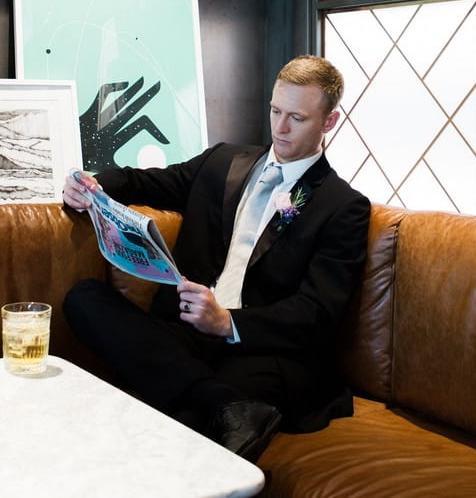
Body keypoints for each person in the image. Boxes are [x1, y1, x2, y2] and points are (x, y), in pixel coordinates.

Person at [62, 55, 370, 462]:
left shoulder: (342, 206)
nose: (280, 128)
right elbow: (148, 182)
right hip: (185, 333)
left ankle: (211, 402)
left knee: (175, 413)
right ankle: (227, 406)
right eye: (276, 111)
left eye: (297, 118)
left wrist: (228, 322)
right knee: (83, 299)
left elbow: (317, 313)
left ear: (329, 122)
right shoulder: (224, 161)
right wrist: (93, 185)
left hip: (261, 350)